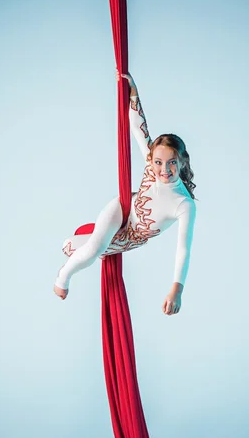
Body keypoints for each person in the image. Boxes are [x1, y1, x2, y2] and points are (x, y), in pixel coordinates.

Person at [53, 72, 197, 316]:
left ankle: (96, 238)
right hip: (123, 206)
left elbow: (183, 248)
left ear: (182, 162)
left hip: (133, 235)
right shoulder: (151, 166)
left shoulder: (184, 204)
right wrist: (133, 93)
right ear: (153, 159)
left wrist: (177, 290)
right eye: (159, 162)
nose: (164, 170)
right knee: (87, 249)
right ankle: (62, 277)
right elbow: (139, 131)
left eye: (172, 163)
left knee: (71, 247)